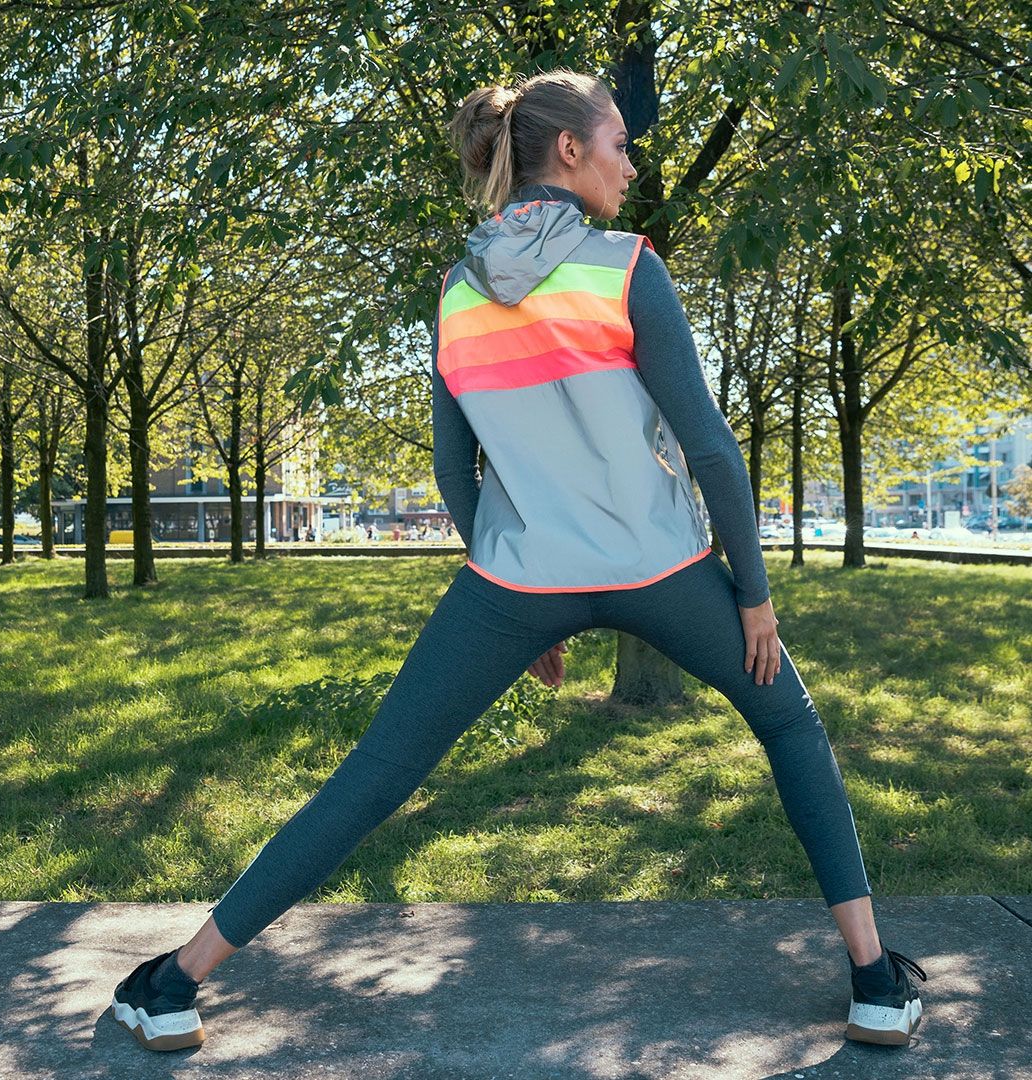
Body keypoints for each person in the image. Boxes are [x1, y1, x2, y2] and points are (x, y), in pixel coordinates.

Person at [109, 68, 925, 1054]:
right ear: (570, 151)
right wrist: (754, 597)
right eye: (620, 143)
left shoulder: (457, 292)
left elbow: (454, 469)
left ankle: (174, 983)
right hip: (662, 571)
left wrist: (517, 590)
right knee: (789, 723)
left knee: (378, 772)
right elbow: (711, 448)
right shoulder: (626, 268)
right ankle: (874, 981)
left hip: (515, 584)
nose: (632, 164)